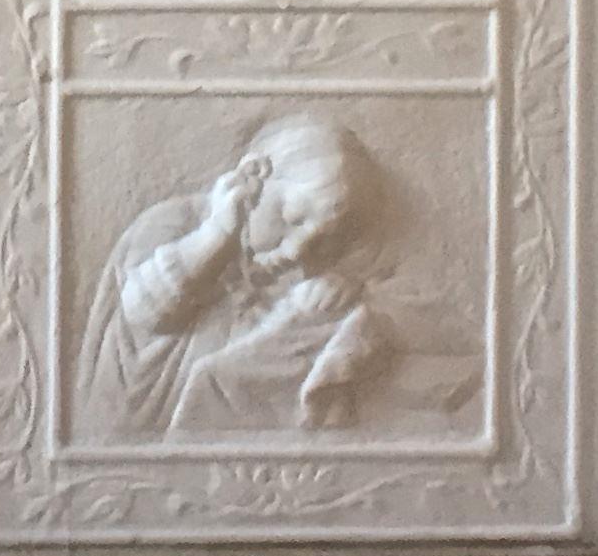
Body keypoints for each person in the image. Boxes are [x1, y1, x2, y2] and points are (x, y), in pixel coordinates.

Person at [75, 114, 394, 440]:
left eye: (321, 239)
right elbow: (144, 310)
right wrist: (215, 234)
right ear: (252, 175)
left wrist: (320, 302)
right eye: (292, 219)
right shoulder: (173, 222)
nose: (297, 249)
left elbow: (254, 349)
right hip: (134, 426)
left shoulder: (291, 263)